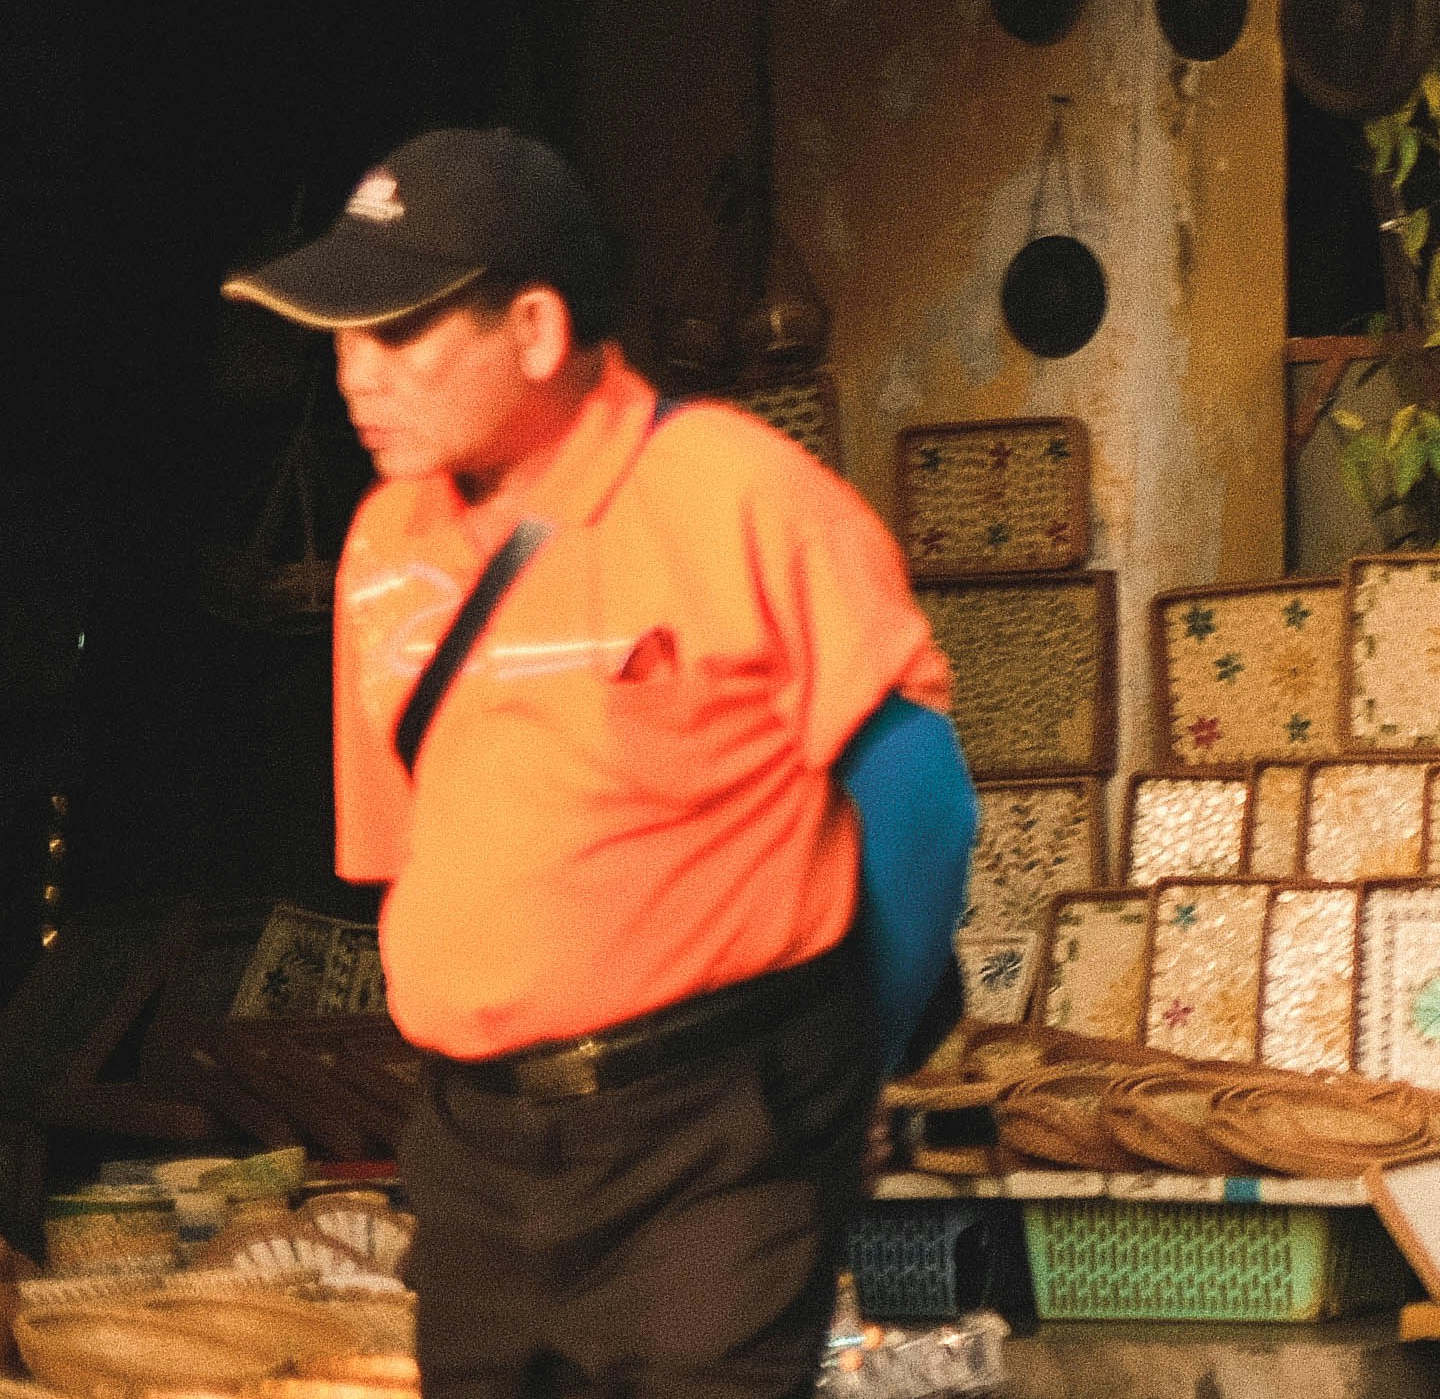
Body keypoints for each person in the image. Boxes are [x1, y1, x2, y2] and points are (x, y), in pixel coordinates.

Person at [233, 129, 970, 1399]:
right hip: (476, 1151)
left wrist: (865, 1054)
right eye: (340, 337)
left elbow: (920, 801)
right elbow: (418, 860)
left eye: (397, 334)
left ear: (531, 327)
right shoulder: (382, 542)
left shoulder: (742, 495)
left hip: (709, 1138)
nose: (355, 374)